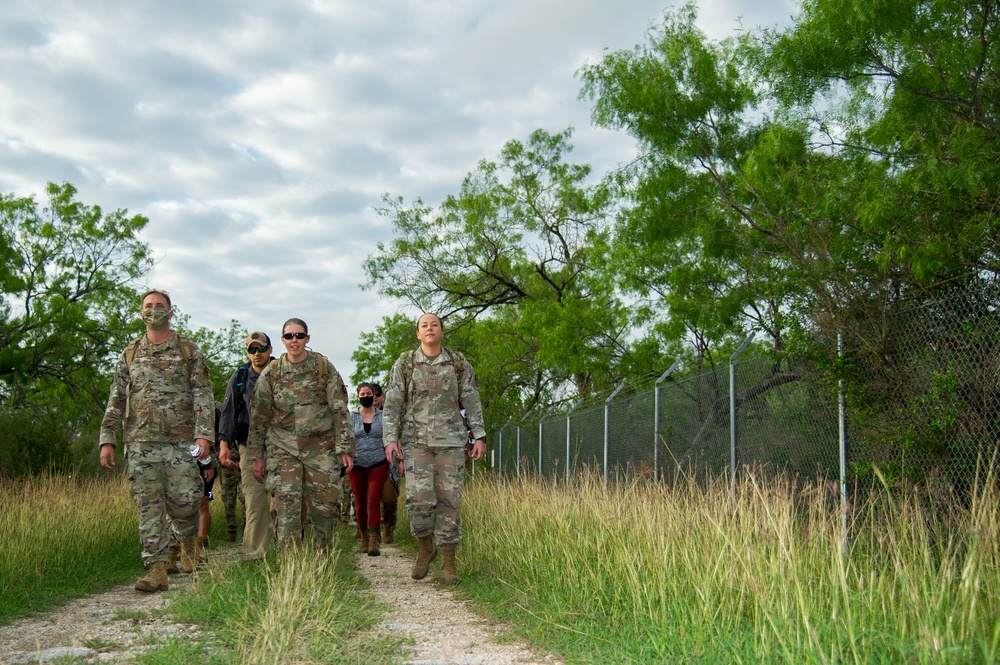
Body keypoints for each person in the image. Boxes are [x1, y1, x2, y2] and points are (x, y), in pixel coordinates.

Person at [99, 289, 214, 593]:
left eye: (160, 306)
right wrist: (107, 438)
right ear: (141, 314)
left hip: (180, 442)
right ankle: (157, 569)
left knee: (186, 502)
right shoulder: (130, 353)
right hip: (140, 443)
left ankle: (187, 541)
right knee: (148, 506)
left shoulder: (188, 350)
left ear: (171, 313)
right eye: (148, 306)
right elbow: (116, 397)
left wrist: (204, 435)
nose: (154, 310)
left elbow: (203, 393)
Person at [383, 313, 487, 584]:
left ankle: (448, 563)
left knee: (449, 502)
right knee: (418, 502)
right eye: (424, 326)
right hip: (416, 443)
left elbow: (471, 397)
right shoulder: (405, 363)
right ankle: (425, 546)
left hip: (451, 443)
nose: (429, 329)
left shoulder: (458, 362)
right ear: (418, 334)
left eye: (435, 325)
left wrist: (479, 435)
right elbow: (393, 402)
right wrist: (390, 440)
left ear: (442, 331)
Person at [245, 318, 355, 551]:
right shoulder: (271, 374)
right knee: (286, 509)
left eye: (299, 335)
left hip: (320, 448)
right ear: (283, 340)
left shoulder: (324, 368)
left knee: (325, 509)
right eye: (289, 336)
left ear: (307, 338)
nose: (294, 340)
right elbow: (259, 417)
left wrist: (345, 447)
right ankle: (290, 564)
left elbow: (339, 408)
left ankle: (322, 557)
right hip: (282, 448)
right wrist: (256, 455)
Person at [218, 331, 275, 560]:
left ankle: (290, 552)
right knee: (254, 502)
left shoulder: (282, 372)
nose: (257, 353)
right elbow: (228, 412)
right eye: (252, 349)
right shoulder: (239, 377)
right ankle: (255, 555)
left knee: (286, 502)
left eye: (261, 348)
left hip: (283, 445)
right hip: (249, 446)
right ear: (247, 352)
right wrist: (223, 444)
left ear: (270, 350)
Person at [349, 382, 389, 555]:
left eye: (369, 394)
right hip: (357, 464)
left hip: (378, 462)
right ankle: (363, 536)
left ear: (374, 396)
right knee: (360, 500)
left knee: (373, 499)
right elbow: (345, 437)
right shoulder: (351, 417)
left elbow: (389, 436)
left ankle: (374, 539)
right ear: (358, 396)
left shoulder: (383, 416)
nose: (366, 396)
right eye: (362, 394)